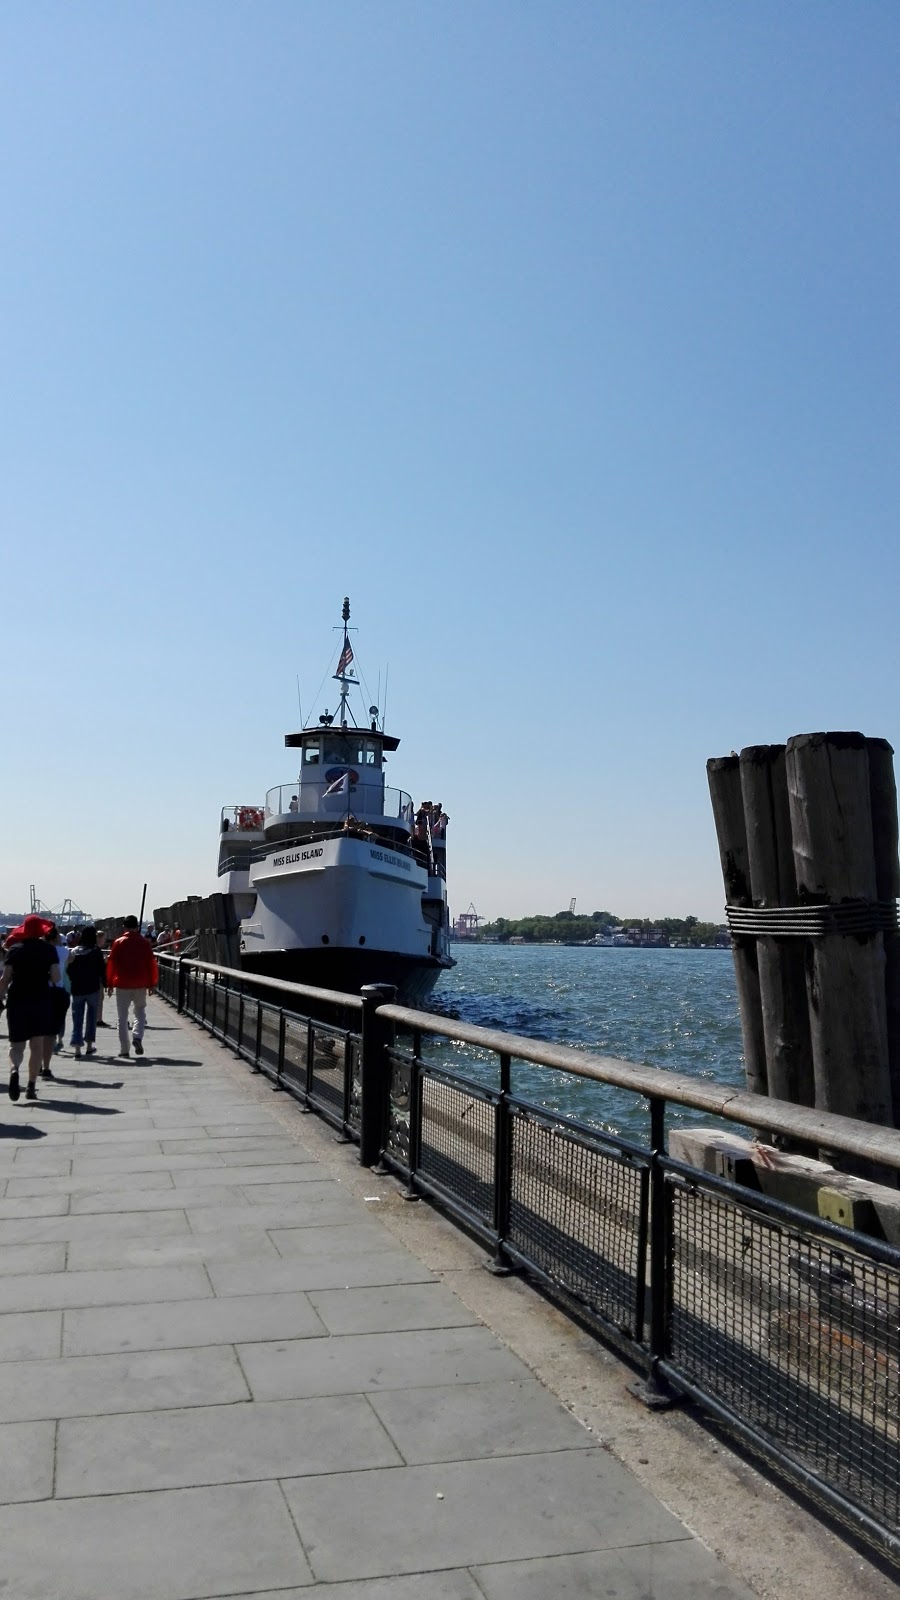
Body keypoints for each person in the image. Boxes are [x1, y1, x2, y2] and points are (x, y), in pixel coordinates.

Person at [0, 914, 59, 1102]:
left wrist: (1, 997)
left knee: (16, 1045)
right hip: (40, 999)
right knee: (36, 1045)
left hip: (17, 1000)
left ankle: (14, 1069)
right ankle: (31, 1086)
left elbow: (5, 979)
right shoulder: (48, 950)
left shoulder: (14, 950)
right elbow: (56, 977)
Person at [105, 915, 159, 1059]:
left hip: (122, 983)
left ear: (124, 927)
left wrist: (109, 983)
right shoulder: (144, 943)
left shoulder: (118, 942)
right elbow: (151, 963)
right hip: (140, 983)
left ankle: (124, 1049)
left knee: (122, 1017)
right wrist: (152, 983)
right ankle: (137, 1036)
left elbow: (112, 964)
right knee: (140, 1012)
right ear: (137, 927)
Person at [66, 926, 107, 1060]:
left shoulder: (75, 951)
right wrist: (105, 984)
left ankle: (77, 1048)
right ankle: (89, 1046)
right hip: (92, 988)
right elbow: (102, 970)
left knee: (77, 1018)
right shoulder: (96, 952)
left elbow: (69, 970)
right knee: (91, 1017)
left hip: (77, 989)